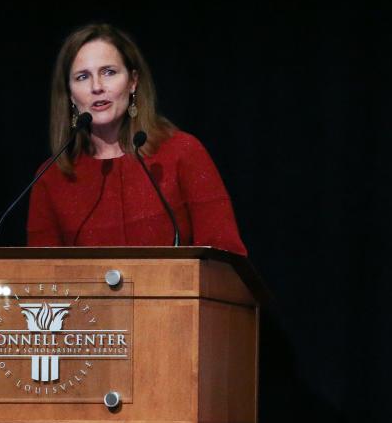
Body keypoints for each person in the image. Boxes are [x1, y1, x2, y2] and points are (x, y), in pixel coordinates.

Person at [26, 23, 246, 252]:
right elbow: (43, 277)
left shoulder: (182, 152)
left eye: (108, 72)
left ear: (133, 81)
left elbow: (225, 256)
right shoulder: (51, 179)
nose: (97, 87)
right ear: (70, 94)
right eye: (82, 77)